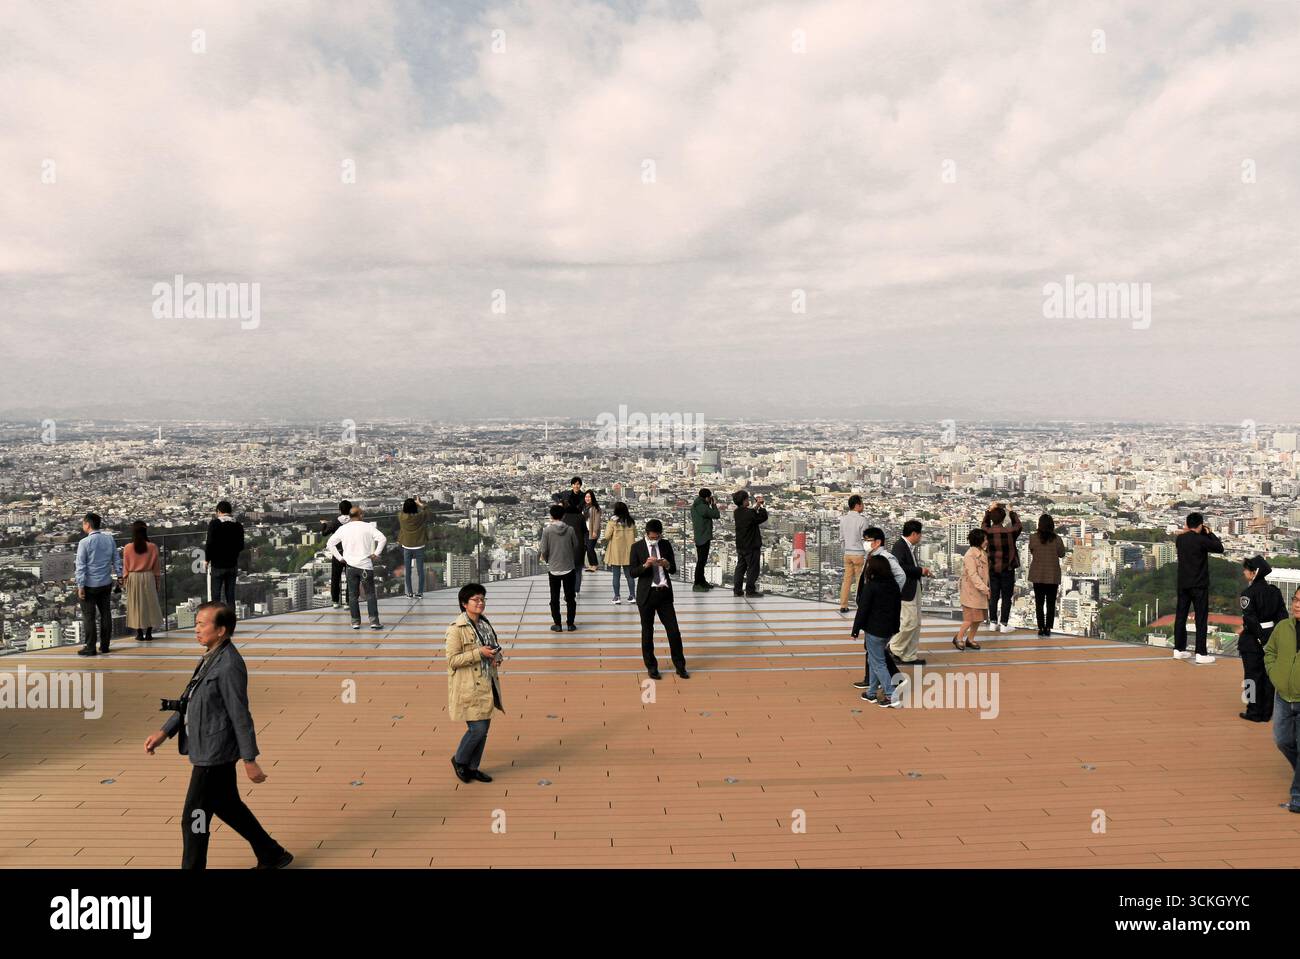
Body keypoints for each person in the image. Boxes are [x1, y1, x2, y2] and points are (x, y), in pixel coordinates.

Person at [143, 601, 292, 869]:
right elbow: (189, 700)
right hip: (206, 748)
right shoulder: (210, 657)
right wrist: (164, 732)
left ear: (221, 630)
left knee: (194, 817)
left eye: (202, 624)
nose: (196, 629)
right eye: (197, 623)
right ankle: (272, 854)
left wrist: (249, 759)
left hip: (214, 754)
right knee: (227, 805)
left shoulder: (229, 665)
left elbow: (240, 714)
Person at [446, 582, 504, 784]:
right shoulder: (456, 629)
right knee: (477, 729)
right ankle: (460, 760)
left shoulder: (484, 624)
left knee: (483, 731)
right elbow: (452, 660)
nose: (480, 603)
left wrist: (496, 656)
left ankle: (473, 767)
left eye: (482, 599)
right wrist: (479, 653)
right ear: (464, 604)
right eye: (475, 600)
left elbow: (493, 647)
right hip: (468, 686)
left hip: (486, 684)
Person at [629, 519, 688, 679]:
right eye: (653, 537)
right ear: (646, 534)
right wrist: (645, 566)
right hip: (647, 594)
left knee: (674, 631)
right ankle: (651, 666)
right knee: (647, 632)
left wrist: (667, 564)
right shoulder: (637, 547)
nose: (655, 540)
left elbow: (674, 569)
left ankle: (680, 665)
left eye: (657, 537)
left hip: (664, 594)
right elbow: (632, 572)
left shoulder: (666, 545)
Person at [1264, 588, 1300, 813]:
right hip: (1283, 696)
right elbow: (1270, 652)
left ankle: (1297, 797)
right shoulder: (1283, 627)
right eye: (1296, 599)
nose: (1297, 605)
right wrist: (1274, 672)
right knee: (1282, 739)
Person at [851, 555, 904, 707]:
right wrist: (895, 627)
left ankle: (890, 694)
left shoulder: (871, 586)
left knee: (878, 663)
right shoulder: (893, 585)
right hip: (888, 630)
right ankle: (871, 693)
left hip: (874, 630)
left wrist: (855, 630)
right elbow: (897, 608)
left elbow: (863, 610)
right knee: (873, 660)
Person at [1173, 512, 1225, 664]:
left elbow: (1186, 535)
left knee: (1181, 616)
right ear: (1201, 524)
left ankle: (1178, 649)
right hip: (1199, 585)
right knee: (1200, 618)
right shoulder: (1202, 540)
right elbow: (1219, 548)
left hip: (1183, 584)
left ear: (1187, 524)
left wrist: (1189, 531)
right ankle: (1201, 653)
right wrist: (1210, 534)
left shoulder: (1180, 539)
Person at [1238, 556, 1285, 722]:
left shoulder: (1247, 594)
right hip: (1273, 638)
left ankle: (1253, 711)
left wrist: (1261, 638)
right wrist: (1273, 638)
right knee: (1268, 676)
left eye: (1246, 570)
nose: (1244, 572)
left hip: (1252, 641)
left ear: (1253, 573)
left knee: (1251, 677)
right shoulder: (1275, 591)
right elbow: (1282, 617)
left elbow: (1250, 620)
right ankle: (1267, 712)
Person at [326, 505, 387, 630]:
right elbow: (383, 539)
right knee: (370, 594)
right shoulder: (368, 527)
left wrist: (339, 558)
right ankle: (374, 621)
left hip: (350, 566)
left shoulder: (343, 529)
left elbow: (330, 544)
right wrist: (376, 553)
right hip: (365, 566)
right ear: (360, 515)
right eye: (362, 513)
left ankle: (355, 622)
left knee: (353, 595)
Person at [76, 511, 122, 657]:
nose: (83, 525)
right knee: (105, 614)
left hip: (89, 585)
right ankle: (105, 645)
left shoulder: (84, 543)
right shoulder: (109, 539)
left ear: (88, 524)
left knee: (89, 616)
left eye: (83, 523)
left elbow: (81, 566)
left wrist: (80, 586)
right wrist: (119, 576)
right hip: (106, 583)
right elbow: (116, 559)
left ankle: (90, 647)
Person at [889, 520, 931, 666]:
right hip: (906, 590)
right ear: (914, 534)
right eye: (920, 534)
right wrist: (920, 571)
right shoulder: (900, 546)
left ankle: (909, 655)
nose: (920, 537)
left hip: (914, 587)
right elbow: (899, 566)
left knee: (916, 622)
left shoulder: (908, 546)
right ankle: (894, 648)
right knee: (909, 622)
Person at [981, 502, 1022, 632]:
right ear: (1004, 518)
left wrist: (989, 511)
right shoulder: (1009, 532)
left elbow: (984, 525)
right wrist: (1011, 512)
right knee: (1006, 596)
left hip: (992, 568)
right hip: (1007, 569)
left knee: (993, 595)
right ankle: (1004, 623)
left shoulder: (987, 532)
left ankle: (993, 622)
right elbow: (1018, 526)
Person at [540, 503, 581, 631]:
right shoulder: (570, 530)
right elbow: (576, 545)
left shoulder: (547, 531)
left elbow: (544, 549)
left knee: (554, 598)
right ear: (563, 516)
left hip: (554, 568)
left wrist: (549, 560)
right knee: (570, 598)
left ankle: (557, 624)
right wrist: (568, 555)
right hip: (569, 567)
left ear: (551, 516)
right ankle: (570, 624)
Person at [122, 520, 162, 643]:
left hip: (133, 577)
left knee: (136, 605)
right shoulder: (152, 547)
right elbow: (156, 568)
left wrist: (125, 582)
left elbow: (126, 567)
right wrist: (157, 583)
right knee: (150, 604)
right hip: (148, 576)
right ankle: (149, 633)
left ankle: (139, 633)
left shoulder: (128, 548)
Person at [1027, 513, 1066, 637]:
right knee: (1050, 603)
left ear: (1039, 525)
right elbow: (1062, 554)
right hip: (1052, 575)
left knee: (1039, 602)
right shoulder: (1057, 539)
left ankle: (1040, 628)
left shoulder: (1033, 538)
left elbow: (1032, 550)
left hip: (1037, 573)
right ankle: (1048, 627)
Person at [204, 501, 245, 609]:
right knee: (230, 595)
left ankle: (217, 620)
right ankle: (230, 620)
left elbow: (210, 544)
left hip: (217, 564)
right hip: (232, 564)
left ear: (219, 511)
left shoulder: (214, 524)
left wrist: (207, 560)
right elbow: (241, 546)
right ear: (230, 512)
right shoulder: (238, 525)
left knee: (216, 596)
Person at [955, 529, 990, 650]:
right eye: (985, 539)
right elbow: (973, 575)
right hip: (971, 591)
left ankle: (970, 639)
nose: (987, 541)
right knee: (969, 619)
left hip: (979, 590)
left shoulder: (982, 553)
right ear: (979, 540)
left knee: (978, 618)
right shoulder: (970, 555)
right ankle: (958, 638)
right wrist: (985, 588)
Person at [732, 490, 768, 597]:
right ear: (744, 501)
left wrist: (756, 505)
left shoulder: (737, 512)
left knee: (740, 568)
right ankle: (750, 591)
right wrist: (762, 505)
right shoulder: (749, 513)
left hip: (741, 545)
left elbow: (750, 514)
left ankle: (737, 590)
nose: (748, 500)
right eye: (747, 499)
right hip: (751, 545)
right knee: (753, 568)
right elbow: (763, 517)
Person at [602, 502, 637, 605]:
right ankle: (632, 596)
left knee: (616, 575)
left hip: (616, 551)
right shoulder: (631, 521)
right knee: (629, 575)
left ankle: (617, 597)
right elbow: (636, 534)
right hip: (629, 551)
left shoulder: (612, 522)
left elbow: (607, 536)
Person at [838, 495, 869, 613]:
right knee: (860, 581)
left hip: (847, 553)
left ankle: (843, 605)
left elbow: (841, 538)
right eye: (862, 503)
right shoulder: (862, 520)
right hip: (859, 554)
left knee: (846, 580)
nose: (863, 506)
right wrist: (867, 553)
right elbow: (864, 539)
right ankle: (860, 605)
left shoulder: (843, 519)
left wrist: (845, 550)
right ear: (857, 505)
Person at [397, 496, 431, 598]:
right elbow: (428, 512)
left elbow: (402, 511)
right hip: (419, 545)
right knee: (420, 570)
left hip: (407, 545)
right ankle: (420, 592)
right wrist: (420, 504)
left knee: (408, 570)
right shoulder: (420, 516)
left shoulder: (401, 517)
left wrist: (410, 505)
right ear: (415, 507)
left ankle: (410, 592)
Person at [321, 500, 351, 608]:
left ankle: (335, 601)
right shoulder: (354, 521)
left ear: (340, 510)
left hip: (337, 552)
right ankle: (348, 602)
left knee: (335, 577)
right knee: (350, 578)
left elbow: (324, 533)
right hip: (350, 553)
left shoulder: (334, 521)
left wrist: (324, 524)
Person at [689, 488, 721, 591]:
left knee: (702, 561)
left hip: (700, 535)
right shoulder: (703, 507)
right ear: (707, 497)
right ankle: (697, 583)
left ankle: (702, 582)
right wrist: (714, 504)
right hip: (703, 536)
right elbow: (716, 515)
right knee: (701, 561)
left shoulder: (696, 505)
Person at [562, 477, 587, 594]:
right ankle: (576, 590)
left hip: (567, 546)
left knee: (568, 569)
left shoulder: (565, 518)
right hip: (579, 545)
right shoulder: (580, 517)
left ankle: (569, 589)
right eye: (575, 484)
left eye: (578, 484)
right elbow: (585, 531)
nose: (576, 486)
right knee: (578, 569)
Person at [583, 490, 602, 572]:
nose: (587, 498)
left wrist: (595, 531)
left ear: (592, 498)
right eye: (586, 497)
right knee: (588, 548)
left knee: (590, 548)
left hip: (593, 531)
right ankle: (591, 565)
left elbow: (597, 520)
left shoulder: (595, 507)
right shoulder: (584, 507)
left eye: (589, 497)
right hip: (586, 531)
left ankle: (595, 564)